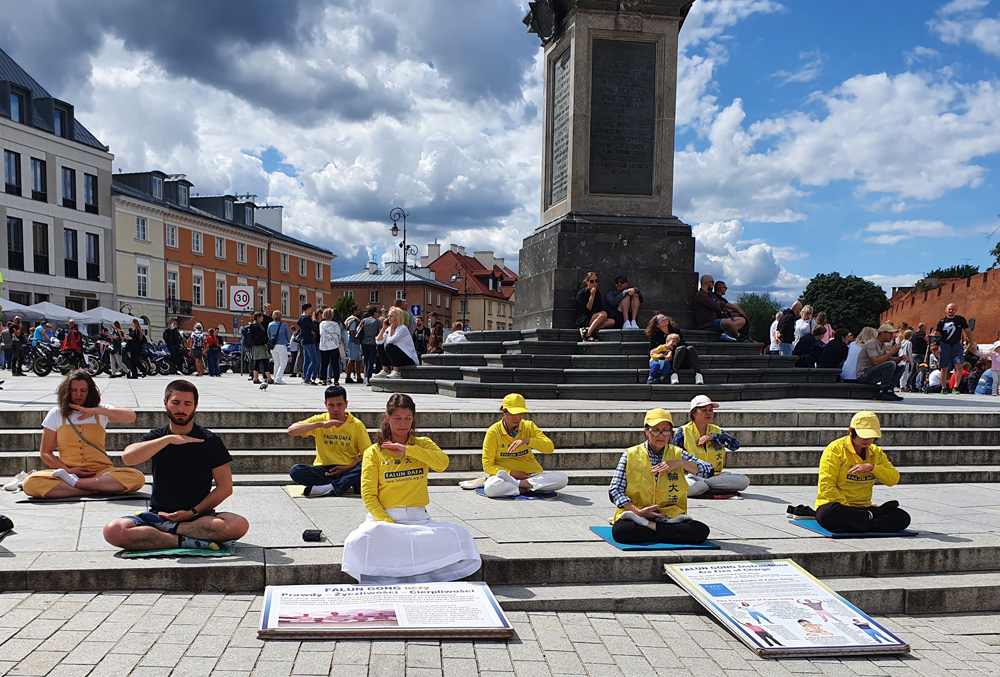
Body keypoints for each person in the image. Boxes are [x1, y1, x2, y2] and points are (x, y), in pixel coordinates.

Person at [341, 394, 481, 583]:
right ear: (387, 418)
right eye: (397, 418)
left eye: (408, 418)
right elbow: (368, 494)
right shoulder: (374, 452)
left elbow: (442, 464)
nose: (402, 424)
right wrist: (388, 523)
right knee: (355, 542)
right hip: (384, 520)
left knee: (461, 536)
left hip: (419, 519)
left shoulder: (422, 444)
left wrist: (408, 450)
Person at [103, 380, 250, 552]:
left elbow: (225, 488)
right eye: (176, 402)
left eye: (187, 404)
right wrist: (169, 439)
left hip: (198, 517)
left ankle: (171, 531)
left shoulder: (210, 440)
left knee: (238, 525)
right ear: (165, 403)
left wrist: (192, 513)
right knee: (113, 531)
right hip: (157, 516)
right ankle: (182, 541)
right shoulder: (158, 437)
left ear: (195, 406)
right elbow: (128, 457)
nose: (181, 409)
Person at [22, 371, 145, 499]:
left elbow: (131, 416)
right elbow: (45, 452)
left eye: (83, 391)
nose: (78, 395)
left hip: (100, 472)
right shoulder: (56, 414)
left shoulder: (100, 411)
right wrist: (68, 471)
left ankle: (79, 485)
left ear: (90, 392)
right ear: (67, 391)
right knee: (30, 483)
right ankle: (94, 489)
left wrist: (94, 410)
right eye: (74, 390)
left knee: (137, 478)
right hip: (68, 472)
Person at [608, 408, 713, 545]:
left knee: (701, 531)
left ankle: (650, 527)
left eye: (665, 430)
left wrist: (679, 463)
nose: (661, 435)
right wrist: (637, 511)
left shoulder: (677, 453)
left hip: (670, 515)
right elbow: (615, 489)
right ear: (646, 431)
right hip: (636, 515)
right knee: (621, 531)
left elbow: (708, 470)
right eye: (656, 430)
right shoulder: (630, 454)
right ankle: (666, 532)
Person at [814, 411, 910, 534]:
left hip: (863, 507)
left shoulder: (876, 452)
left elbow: (893, 479)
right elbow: (826, 486)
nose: (867, 440)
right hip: (840, 506)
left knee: (902, 518)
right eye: (863, 436)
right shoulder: (835, 450)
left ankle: (857, 522)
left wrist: (873, 467)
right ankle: (870, 517)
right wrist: (848, 509)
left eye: (871, 436)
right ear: (851, 431)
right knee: (827, 514)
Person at [288, 385, 372, 496]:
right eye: (331, 405)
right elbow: (292, 430)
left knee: (367, 466)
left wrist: (346, 468)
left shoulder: (356, 424)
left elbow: (367, 454)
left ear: (346, 404)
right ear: (325, 405)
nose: (335, 409)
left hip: (347, 468)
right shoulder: (321, 420)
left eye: (339, 405)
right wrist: (321, 425)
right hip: (324, 469)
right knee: (296, 471)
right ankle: (341, 486)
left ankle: (328, 486)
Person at [481, 394, 568, 497]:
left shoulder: (529, 426)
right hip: (506, 476)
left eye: (521, 413)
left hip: (531, 475)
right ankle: (530, 488)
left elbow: (549, 448)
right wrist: (512, 473)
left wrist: (528, 440)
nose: (517, 417)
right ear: (504, 411)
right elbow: (487, 465)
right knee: (491, 488)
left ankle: (519, 486)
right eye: (514, 413)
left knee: (562, 478)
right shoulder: (493, 431)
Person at [672, 395, 749, 497]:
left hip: (716, 476)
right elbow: (674, 456)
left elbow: (735, 445)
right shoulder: (683, 432)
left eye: (711, 410)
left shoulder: (717, 430)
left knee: (744, 481)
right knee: (695, 485)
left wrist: (714, 437)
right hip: (691, 476)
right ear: (694, 413)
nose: (708, 413)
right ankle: (716, 488)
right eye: (704, 410)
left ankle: (710, 486)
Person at [645, 313, 704, 385]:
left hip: (681, 357)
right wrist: (653, 352)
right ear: (657, 325)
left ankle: (698, 374)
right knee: (681, 348)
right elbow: (651, 349)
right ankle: (674, 374)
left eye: (665, 317)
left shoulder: (676, 331)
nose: (665, 319)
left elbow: (682, 344)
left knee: (690, 348)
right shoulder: (656, 336)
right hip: (668, 361)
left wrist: (671, 351)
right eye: (661, 319)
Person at [856, 324, 905, 401]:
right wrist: (891, 353)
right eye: (890, 333)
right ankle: (883, 390)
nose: (892, 336)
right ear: (883, 333)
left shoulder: (882, 345)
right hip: (864, 374)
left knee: (901, 366)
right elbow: (875, 362)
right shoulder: (871, 344)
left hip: (873, 372)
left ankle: (890, 389)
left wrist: (900, 358)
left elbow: (888, 359)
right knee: (890, 364)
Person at [935, 303, 972, 396]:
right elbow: (937, 333)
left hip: (956, 345)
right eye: (949, 309)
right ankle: (944, 388)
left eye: (953, 309)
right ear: (946, 310)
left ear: (956, 310)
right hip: (945, 345)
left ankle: (956, 386)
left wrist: (971, 342)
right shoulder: (942, 321)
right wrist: (931, 337)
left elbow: (968, 331)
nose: (951, 311)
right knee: (944, 368)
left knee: (959, 366)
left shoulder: (960, 320)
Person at [692, 275, 741, 341]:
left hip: (716, 320)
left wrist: (719, 304)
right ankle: (738, 336)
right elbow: (717, 307)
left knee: (741, 320)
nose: (713, 285)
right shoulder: (701, 295)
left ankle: (727, 334)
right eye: (712, 282)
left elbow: (722, 304)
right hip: (708, 323)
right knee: (727, 322)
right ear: (707, 283)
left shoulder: (711, 295)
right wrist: (718, 304)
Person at [375, 307, 419, 379]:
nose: (388, 318)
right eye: (388, 316)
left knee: (389, 346)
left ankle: (397, 371)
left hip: (409, 358)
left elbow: (390, 341)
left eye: (390, 316)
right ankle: (385, 370)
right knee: (380, 346)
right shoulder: (389, 328)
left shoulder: (402, 328)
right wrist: (384, 328)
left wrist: (391, 329)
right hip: (398, 357)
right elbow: (378, 341)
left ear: (397, 317)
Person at [575, 272, 615, 341]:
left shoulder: (598, 293)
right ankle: (588, 334)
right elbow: (587, 309)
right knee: (603, 314)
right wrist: (592, 296)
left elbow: (598, 309)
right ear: (586, 282)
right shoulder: (582, 293)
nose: (594, 284)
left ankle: (587, 329)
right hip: (584, 318)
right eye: (592, 281)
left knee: (611, 322)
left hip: (594, 317)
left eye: (596, 281)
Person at [318, 308, 344, 386]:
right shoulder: (335, 324)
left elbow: (321, 333)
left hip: (324, 346)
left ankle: (323, 379)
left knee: (324, 364)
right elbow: (339, 335)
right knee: (335, 364)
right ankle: (336, 380)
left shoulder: (322, 324)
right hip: (334, 345)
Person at [358, 306, 382, 385]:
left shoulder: (364, 320)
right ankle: (369, 379)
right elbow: (380, 332)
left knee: (366, 361)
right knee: (371, 362)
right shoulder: (377, 322)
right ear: (374, 313)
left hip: (364, 343)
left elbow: (358, 329)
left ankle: (366, 377)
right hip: (372, 343)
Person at [297, 303, 320, 385]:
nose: (312, 310)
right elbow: (314, 328)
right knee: (314, 361)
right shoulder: (307, 318)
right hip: (309, 341)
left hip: (303, 340)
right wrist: (313, 330)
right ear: (308, 309)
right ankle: (307, 378)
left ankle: (305, 377)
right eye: (311, 308)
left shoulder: (301, 318)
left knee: (306, 360)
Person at [248, 312, 273, 385]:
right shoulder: (257, 326)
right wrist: (265, 344)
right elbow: (260, 337)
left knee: (257, 362)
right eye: (262, 317)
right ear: (258, 317)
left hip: (255, 346)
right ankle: (269, 378)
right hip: (260, 346)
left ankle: (256, 378)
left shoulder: (253, 325)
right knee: (265, 361)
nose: (263, 318)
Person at [268, 310, 291, 385]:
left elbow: (269, 335)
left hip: (273, 346)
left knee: (276, 362)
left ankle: (275, 377)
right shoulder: (284, 325)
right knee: (283, 362)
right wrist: (288, 341)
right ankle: (279, 378)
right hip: (281, 344)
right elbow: (288, 335)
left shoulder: (270, 324)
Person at [345, 309, 364, 383]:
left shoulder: (353, 319)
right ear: (354, 311)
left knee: (358, 360)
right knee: (352, 359)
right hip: (353, 342)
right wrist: (355, 340)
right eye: (358, 310)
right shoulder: (353, 320)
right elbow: (351, 331)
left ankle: (359, 377)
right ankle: (348, 377)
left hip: (354, 342)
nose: (359, 312)